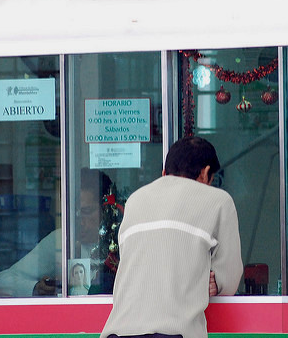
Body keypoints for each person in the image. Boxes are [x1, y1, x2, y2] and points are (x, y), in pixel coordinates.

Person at [101, 136, 243, 338]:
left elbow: (131, 261)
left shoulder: (135, 200)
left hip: (118, 331)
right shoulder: (218, 200)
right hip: (173, 333)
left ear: (164, 173)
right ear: (205, 173)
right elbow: (228, 279)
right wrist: (213, 281)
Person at [0, 170, 113, 297]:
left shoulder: (119, 241)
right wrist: (36, 287)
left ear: (106, 210)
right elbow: (0, 281)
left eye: (87, 211)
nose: (79, 221)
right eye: (74, 212)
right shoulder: (61, 240)